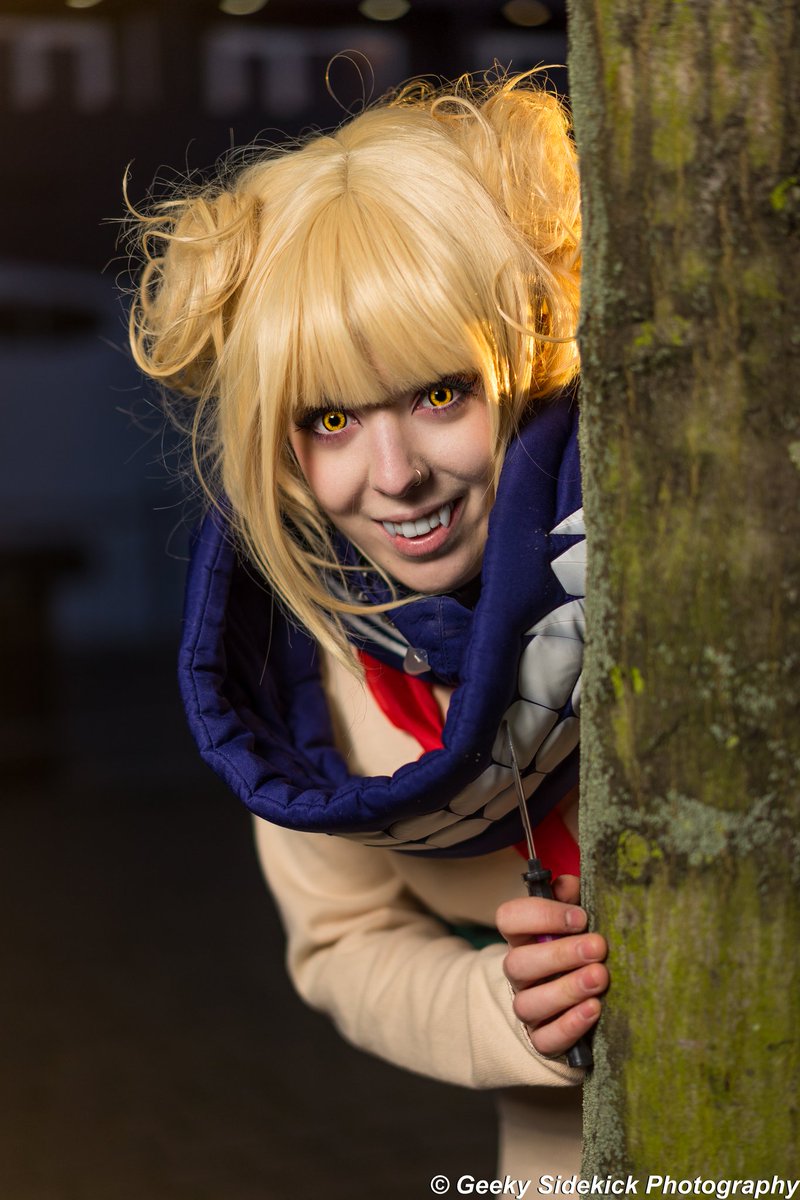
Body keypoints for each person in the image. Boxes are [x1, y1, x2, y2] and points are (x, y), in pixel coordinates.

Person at [128, 69, 609, 1181]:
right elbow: (344, 945)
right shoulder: (298, 667)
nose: (393, 478)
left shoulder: (683, 542)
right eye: (332, 417)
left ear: (526, 355)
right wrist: (497, 1008)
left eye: (440, 392)